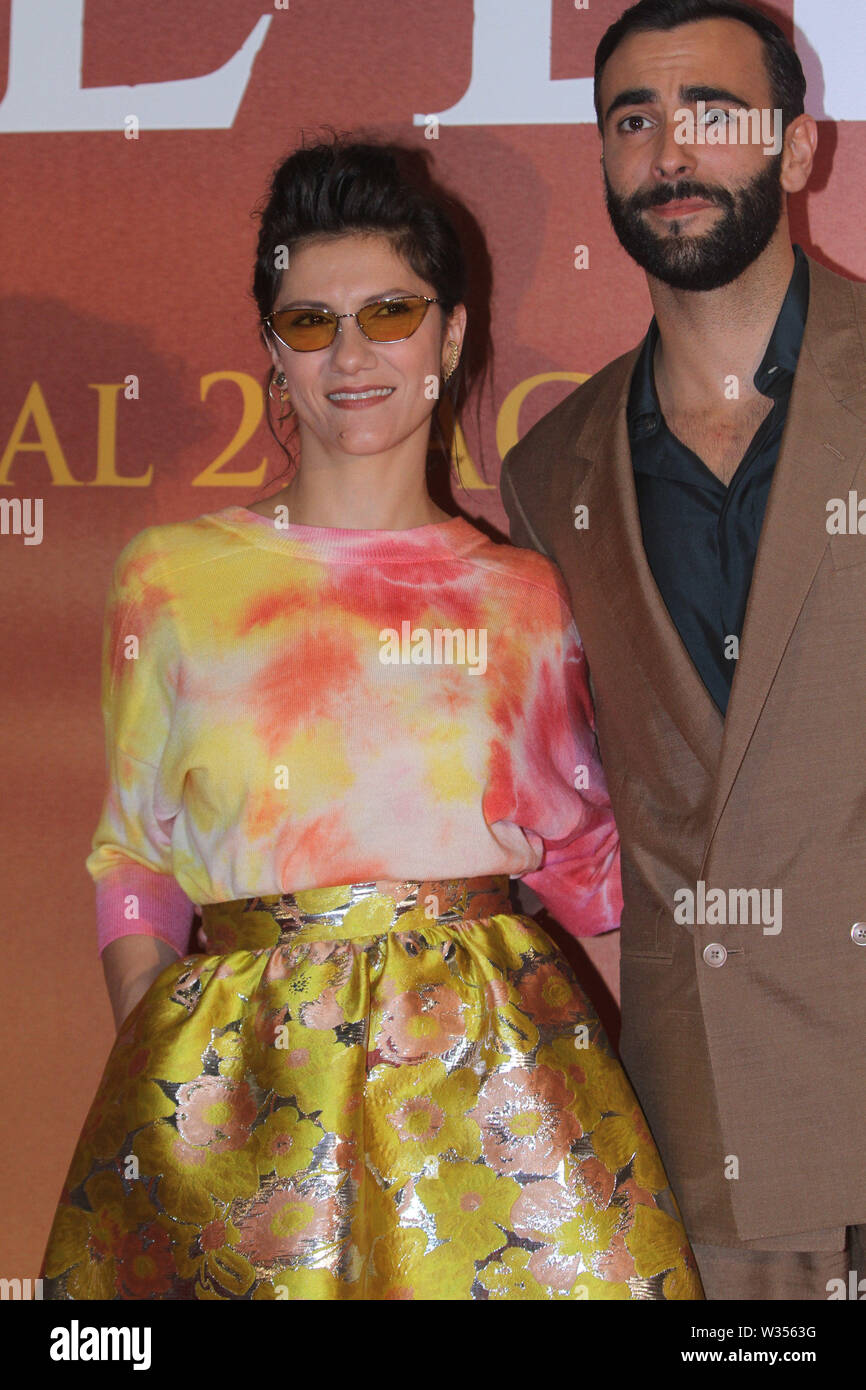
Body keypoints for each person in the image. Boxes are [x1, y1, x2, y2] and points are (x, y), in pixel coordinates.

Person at [40, 139, 701, 1301]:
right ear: (272, 353)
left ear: (448, 339)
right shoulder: (169, 578)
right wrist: (162, 1057)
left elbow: (589, 874)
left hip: (488, 1102)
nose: (351, 353)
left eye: (390, 312)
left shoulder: (524, 597)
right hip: (240, 1099)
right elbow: (136, 848)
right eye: (309, 321)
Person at [501, 0, 866, 1301]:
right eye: (632, 120)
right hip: (708, 1160)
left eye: (711, 114)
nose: (669, 152)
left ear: (800, 148)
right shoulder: (549, 470)